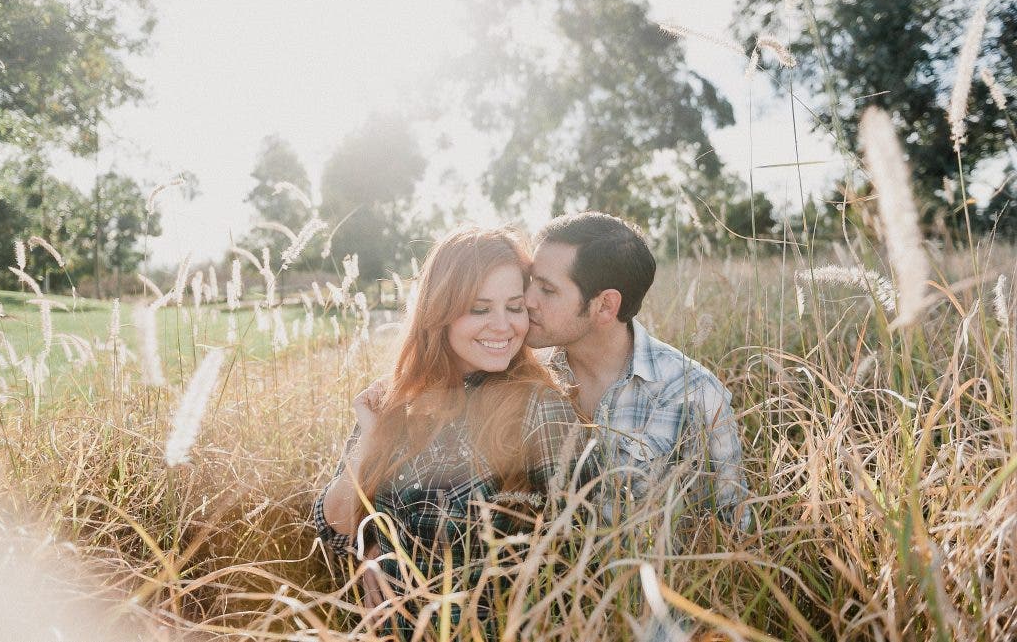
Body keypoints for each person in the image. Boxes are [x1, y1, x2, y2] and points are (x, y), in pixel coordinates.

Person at [312, 226, 598, 637]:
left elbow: (581, 554)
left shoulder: (541, 408)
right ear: (440, 311)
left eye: (514, 307)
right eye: (480, 309)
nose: (502, 326)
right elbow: (333, 529)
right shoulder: (397, 401)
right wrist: (375, 549)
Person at [523, 212, 750, 529]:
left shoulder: (694, 394)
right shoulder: (526, 374)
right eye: (530, 281)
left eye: (547, 289)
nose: (526, 299)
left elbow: (731, 525)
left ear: (605, 306)